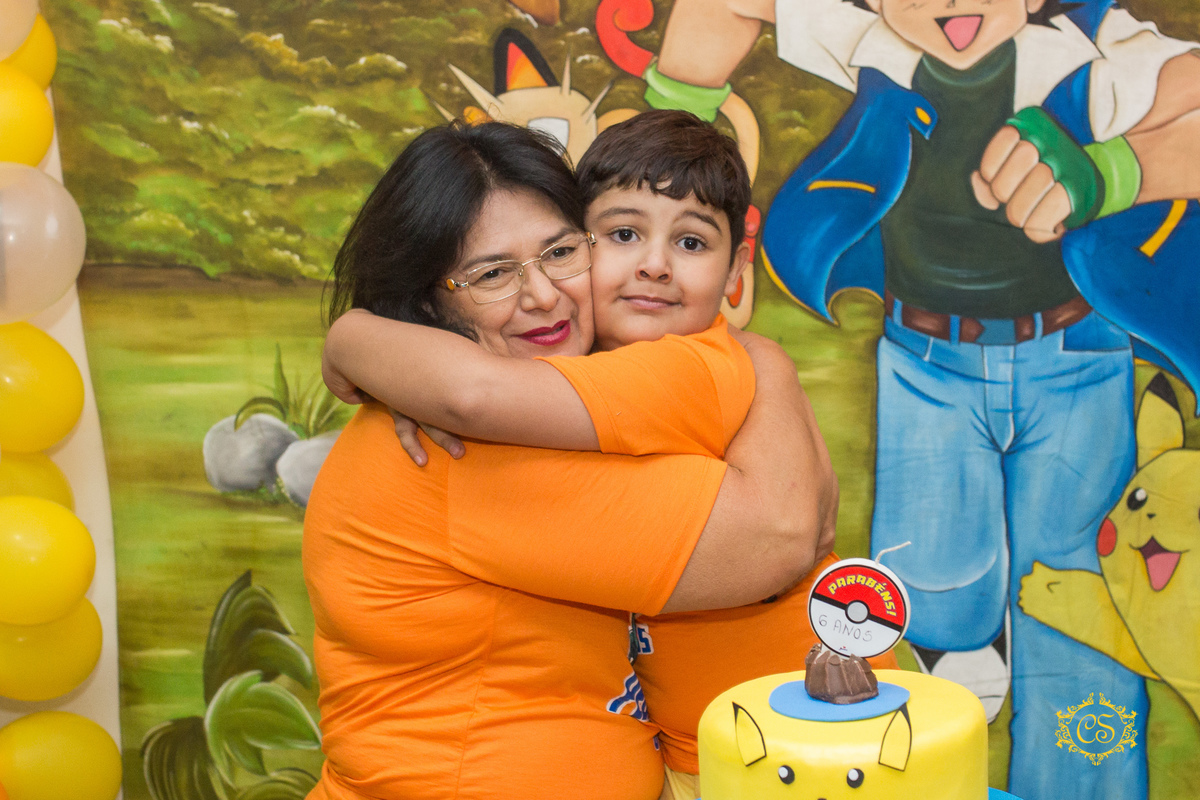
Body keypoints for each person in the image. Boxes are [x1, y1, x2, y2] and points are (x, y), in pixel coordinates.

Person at [640, 1, 1200, 797]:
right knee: (926, 590)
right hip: (927, 365)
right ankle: (955, 670)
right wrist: (670, 136)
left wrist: (1111, 169)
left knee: (1075, 606)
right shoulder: (877, 45)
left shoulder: (1086, 52)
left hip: (1075, 361)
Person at [322, 110, 894, 800]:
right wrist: (353, 338)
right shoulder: (459, 442)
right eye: (492, 274)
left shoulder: (639, 377)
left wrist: (355, 338)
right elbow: (472, 394)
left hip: (795, 750)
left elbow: (790, 527)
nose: (542, 294)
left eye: (560, 253)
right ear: (428, 306)